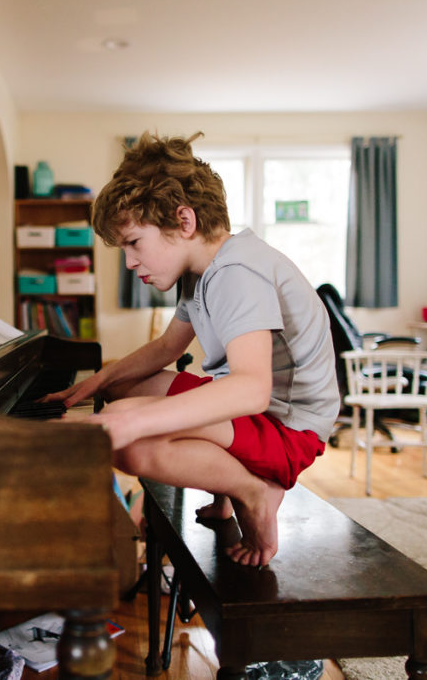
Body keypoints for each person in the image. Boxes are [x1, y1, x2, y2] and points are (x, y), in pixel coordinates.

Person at [44, 132, 339, 566]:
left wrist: (133, 422)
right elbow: (166, 346)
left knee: (129, 441)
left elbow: (252, 389)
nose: (128, 262)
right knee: (126, 391)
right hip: (258, 416)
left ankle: (255, 491)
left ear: (184, 222)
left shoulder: (236, 272)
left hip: (289, 431)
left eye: (133, 243)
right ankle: (228, 488)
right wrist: (96, 382)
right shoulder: (203, 270)